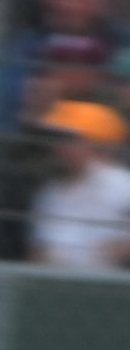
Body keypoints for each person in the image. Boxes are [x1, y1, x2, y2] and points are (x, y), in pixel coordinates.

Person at [30, 101, 130, 272]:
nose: (57, 147)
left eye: (67, 140)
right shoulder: (51, 191)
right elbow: (37, 249)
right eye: (56, 140)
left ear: (95, 144)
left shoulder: (122, 186)